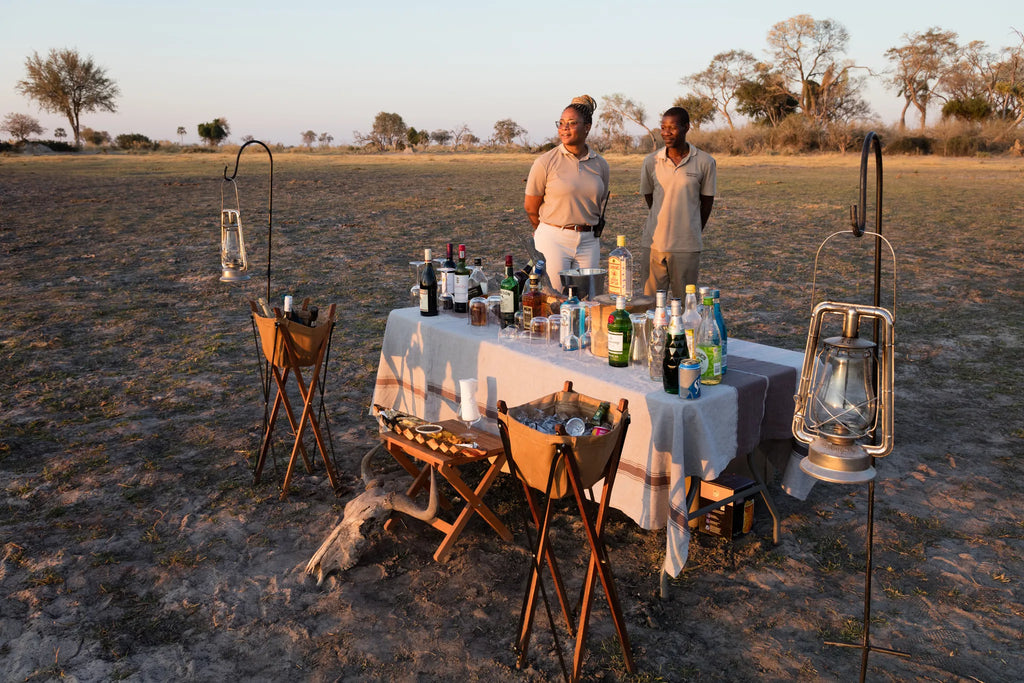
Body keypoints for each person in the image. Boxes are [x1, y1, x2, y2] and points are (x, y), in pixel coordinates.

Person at [525, 95, 610, 292]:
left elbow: (599, 199)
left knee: (589, 298)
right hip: (554, 238)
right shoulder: (545, 162)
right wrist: (545, 231)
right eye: (561, 123)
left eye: (572, 123)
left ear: (587, 127)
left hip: (589, 240)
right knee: (555, 297)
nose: (564, 128)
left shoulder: (600, 164)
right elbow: (530, 207)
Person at [640, 106, 716, 298]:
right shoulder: (651, 161)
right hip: (654, 244)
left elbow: (706, 203)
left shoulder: (705, 162)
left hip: (687, 246)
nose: (666, 133)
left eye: (672, 128)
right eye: (663, 127)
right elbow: (650, 198)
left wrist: (690, 228)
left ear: (686, 127)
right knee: (649, 305)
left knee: (684, 305)